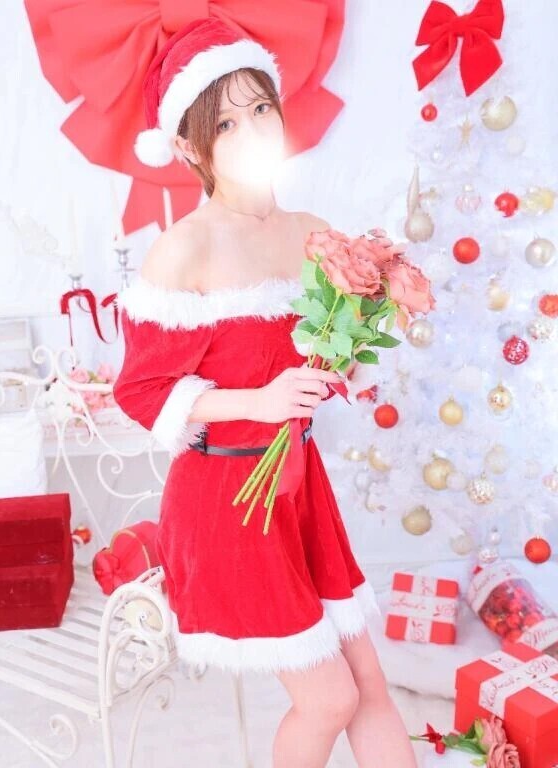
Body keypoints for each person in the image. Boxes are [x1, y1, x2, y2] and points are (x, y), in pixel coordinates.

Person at [113, 17, 417, 768]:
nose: (251, 130)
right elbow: (142, 390)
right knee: (330, 698)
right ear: (190, 147)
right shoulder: (183, 249)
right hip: (225, 500)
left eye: (259, 109)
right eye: (224, 122)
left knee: (370, 683)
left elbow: (326, 352)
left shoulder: (312, 233)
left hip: (297, 487)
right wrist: (257, 401)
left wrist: (356, 343)